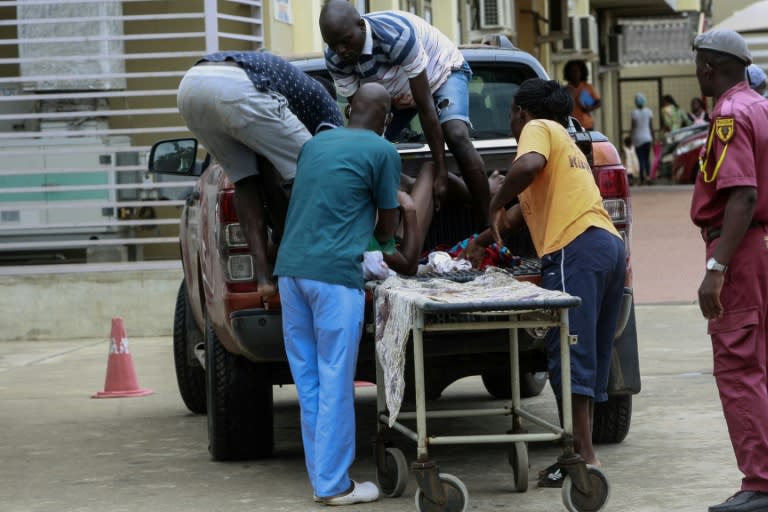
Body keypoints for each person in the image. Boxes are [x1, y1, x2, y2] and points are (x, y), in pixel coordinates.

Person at [472, 78, 626, 487]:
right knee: (587, 354)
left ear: (521, 112)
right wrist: (476, 243)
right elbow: (513, 220)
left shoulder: (537, 130)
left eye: (509, 114)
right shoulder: (569, 146)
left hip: (575, 248)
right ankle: (579, 452)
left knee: (569, 355)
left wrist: (493, 198)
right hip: (608, 246)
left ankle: (582, 457)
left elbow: (526, 166)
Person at [273, 83, 401, 506]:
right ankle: (334, 486)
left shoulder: (314, 145)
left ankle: (324, 478)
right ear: (385, 118)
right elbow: (386, 228)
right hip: (334, 278)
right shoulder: (383, 152)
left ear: (350, 109)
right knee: (335, 378)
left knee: (308, 379)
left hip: (291, 271)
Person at [176, 51, 344, 299]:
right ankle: (314, 263)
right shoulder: (326, 106)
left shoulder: (288, 88)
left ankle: (264, 277)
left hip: (191, 87)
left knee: (244, 180)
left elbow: (266, 169)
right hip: (235, 87)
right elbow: (334, 163)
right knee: (316, 170)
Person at [318, 0, 490, 227]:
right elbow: (362, 121)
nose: (341, 50)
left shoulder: (396, 35)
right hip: (395, 93)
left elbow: (425, 106)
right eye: (333, 44)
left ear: (361, 25)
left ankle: (488, 224)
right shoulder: (335, 57)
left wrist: (440, 172)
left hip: (439, 73)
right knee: (371, 153)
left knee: (455, 134)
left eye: (345, 41)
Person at [690, 28, 768, 512]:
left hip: (739, 249)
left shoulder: (729, 114)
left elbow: (742, 193)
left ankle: (759, 484)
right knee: (760, 362)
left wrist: (717, 265)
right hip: (761, 244)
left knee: (739, 364)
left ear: (710, 68)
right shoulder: (760, 106)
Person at [563, 59, 601, 130]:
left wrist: (589, 108)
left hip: (586, 125)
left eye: (576, 71)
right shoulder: (565, 89)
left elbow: (598, 102)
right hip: (571, 125)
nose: (574, 74)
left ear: (581, 72)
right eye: (572, 71)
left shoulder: (587, 87)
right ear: (568, 73)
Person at [630, 92, 654, 184]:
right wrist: (653, 138)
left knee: (640, 158)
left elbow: (633, 127)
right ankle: (648, 176)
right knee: (647, 158)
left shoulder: (634, 113)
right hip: (647, 137)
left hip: (638, 138)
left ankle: (641, 178)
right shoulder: (649, 112)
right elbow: (651, 126)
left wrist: (631, 138)